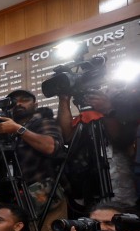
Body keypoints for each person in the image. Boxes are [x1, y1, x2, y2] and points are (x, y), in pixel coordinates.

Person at [0, 89, 65, 231]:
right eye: (13, 101)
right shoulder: (1, 131)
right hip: (12, 203)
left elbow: (51, 147)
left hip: (45, 199)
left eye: (25, 100)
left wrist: (18, 129)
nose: (18, 103)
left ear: (36, 104)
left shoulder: (43, 122)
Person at [56, 90, 137, 218]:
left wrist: (107, 109)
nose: (88, 101)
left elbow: (120, 139)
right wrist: (64, 99)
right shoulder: (82, 121)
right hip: (89, 192)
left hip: (120, 192)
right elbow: (66, 136)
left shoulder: (118, 116)